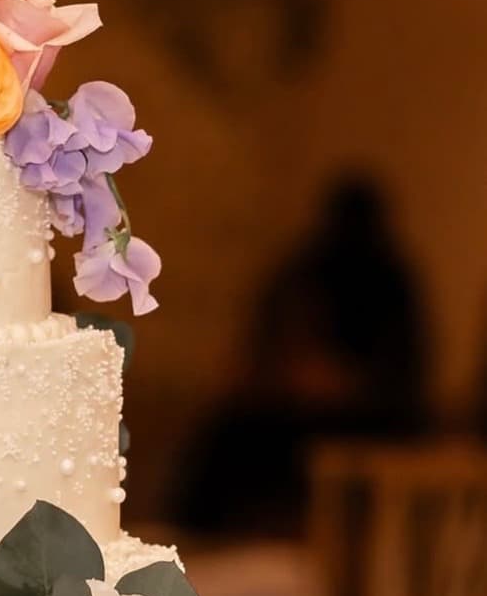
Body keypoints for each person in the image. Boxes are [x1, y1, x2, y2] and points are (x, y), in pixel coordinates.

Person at [172, 175, 429, 536]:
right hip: (295, 418)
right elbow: (269, 345)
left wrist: (342, 384)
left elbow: (403, 370)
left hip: (367, 425)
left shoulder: (384, 282)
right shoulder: (312, 270)